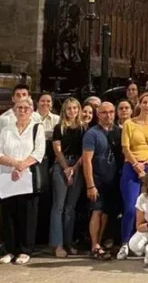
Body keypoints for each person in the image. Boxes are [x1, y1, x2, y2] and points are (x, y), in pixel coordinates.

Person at [0, 96, 45, 265]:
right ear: (14, 110)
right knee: (8, 215)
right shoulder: (6, 129)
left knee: (27, 215)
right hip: (6, 178)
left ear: (31, 110)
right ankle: (10, 249)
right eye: (19, 107)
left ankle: (25, 250)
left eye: (26, 108)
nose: (23, 110)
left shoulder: (36, 128)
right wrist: (15, 164)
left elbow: (39, 152)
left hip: (27, 177)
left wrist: (21, 167)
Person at [118, 92, 148, 260]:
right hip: (131, 166)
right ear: (140, 104)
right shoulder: (129, 123)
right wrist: (137, 166)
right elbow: (125, 148)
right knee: (130, 208)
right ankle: (124, 243)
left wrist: (147, 164)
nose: (147, 105)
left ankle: (142, 245)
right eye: (144, 102)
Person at [82, 102, 120, 260]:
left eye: (111, 112)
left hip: (113, 179)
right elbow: (86, 161)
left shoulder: (118, 131)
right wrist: (90, 185)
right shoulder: (92, 134)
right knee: (96, 211)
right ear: (98, 114)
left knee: (106, 213)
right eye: (104, 112)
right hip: (97, 178)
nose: (108, 115)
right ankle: (94, 245)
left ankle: (101, 242)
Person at [50, 97, 86, 257]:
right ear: (65, 110)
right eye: (69, 108)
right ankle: (57, 245)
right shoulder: (59, 127)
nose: (72, 111)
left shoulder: (84, 128)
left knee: (70, 208)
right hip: (61, 165)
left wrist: (75, 168)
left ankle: (68, 243)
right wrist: (66, 169)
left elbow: (85, 151)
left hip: (77, 165)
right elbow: (57, 150)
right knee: (58, 206)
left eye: (75, 108)